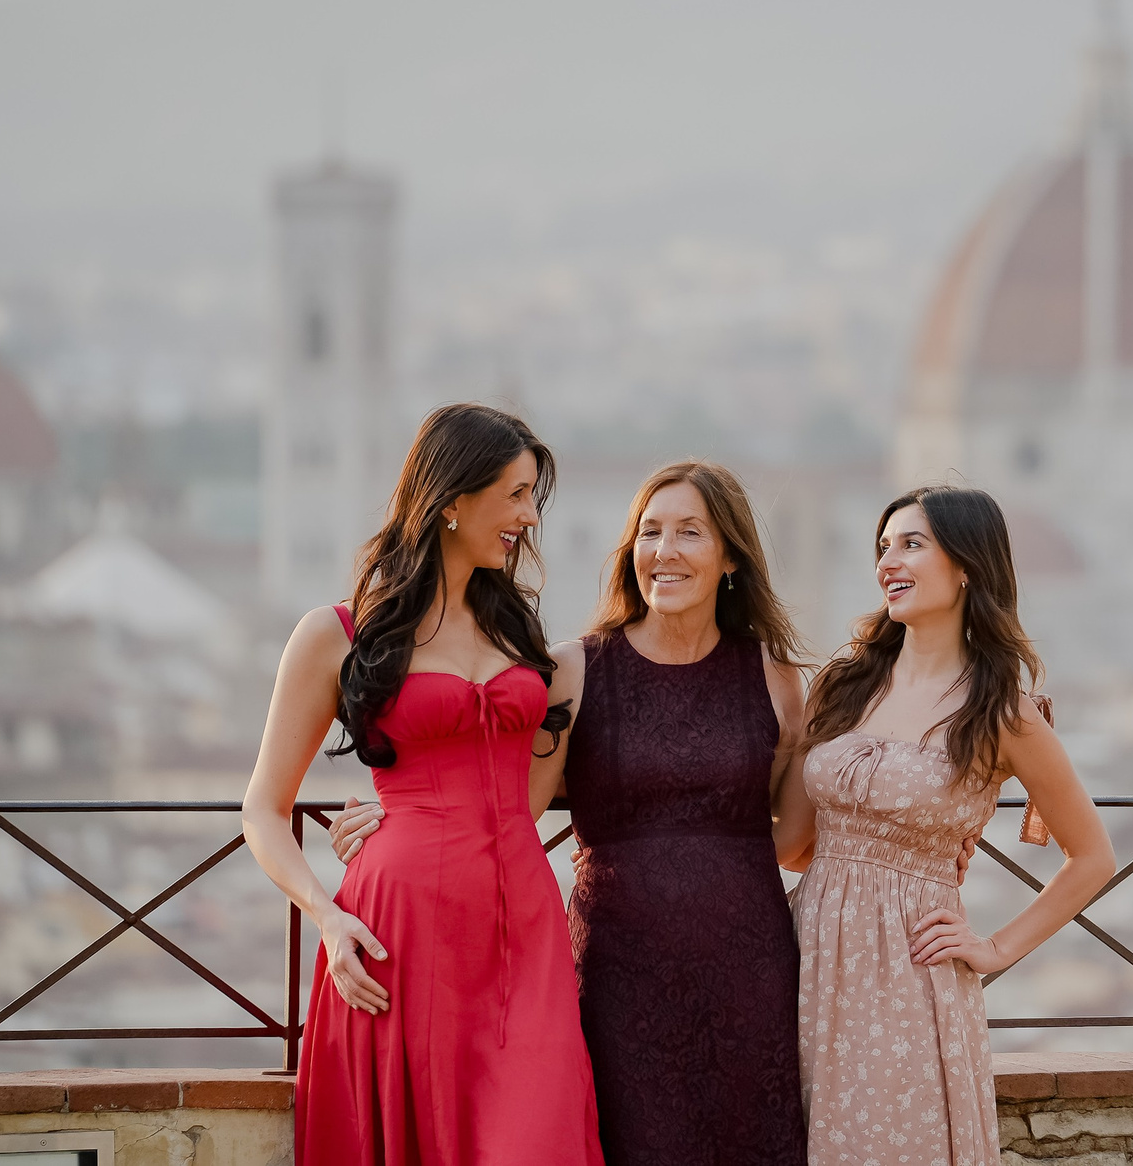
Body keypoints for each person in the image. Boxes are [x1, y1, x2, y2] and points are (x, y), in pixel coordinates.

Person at [335, 460, 810, 1166]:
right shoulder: (573, 668)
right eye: (650, 531)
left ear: (731, 556)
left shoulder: (776, 676)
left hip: (751, 973)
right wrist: (398, 819)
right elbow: (506, 812)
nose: (665, 550)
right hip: (618, 972)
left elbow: (795, 836)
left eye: (690, 532)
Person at [240, 402, 601, 1166]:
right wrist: (327, 915)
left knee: (538, 1140)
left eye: (532, 495)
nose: (530, 516)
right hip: (396, 933)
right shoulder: (337, 633)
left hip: (524, 926)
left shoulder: (520, 632)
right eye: (514, 494)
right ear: (450, 499)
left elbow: (527, 784)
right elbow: (263, 810)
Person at [774, 485, 1116, 1166]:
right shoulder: (842, 684)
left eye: (911, 543)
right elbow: (787, 842)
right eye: (883, 546)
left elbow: (1093, 857)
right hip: (803, 956)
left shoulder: (1004, 712)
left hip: (911, 977)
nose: (887, 561)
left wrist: (993, 947)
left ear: (965, 565)